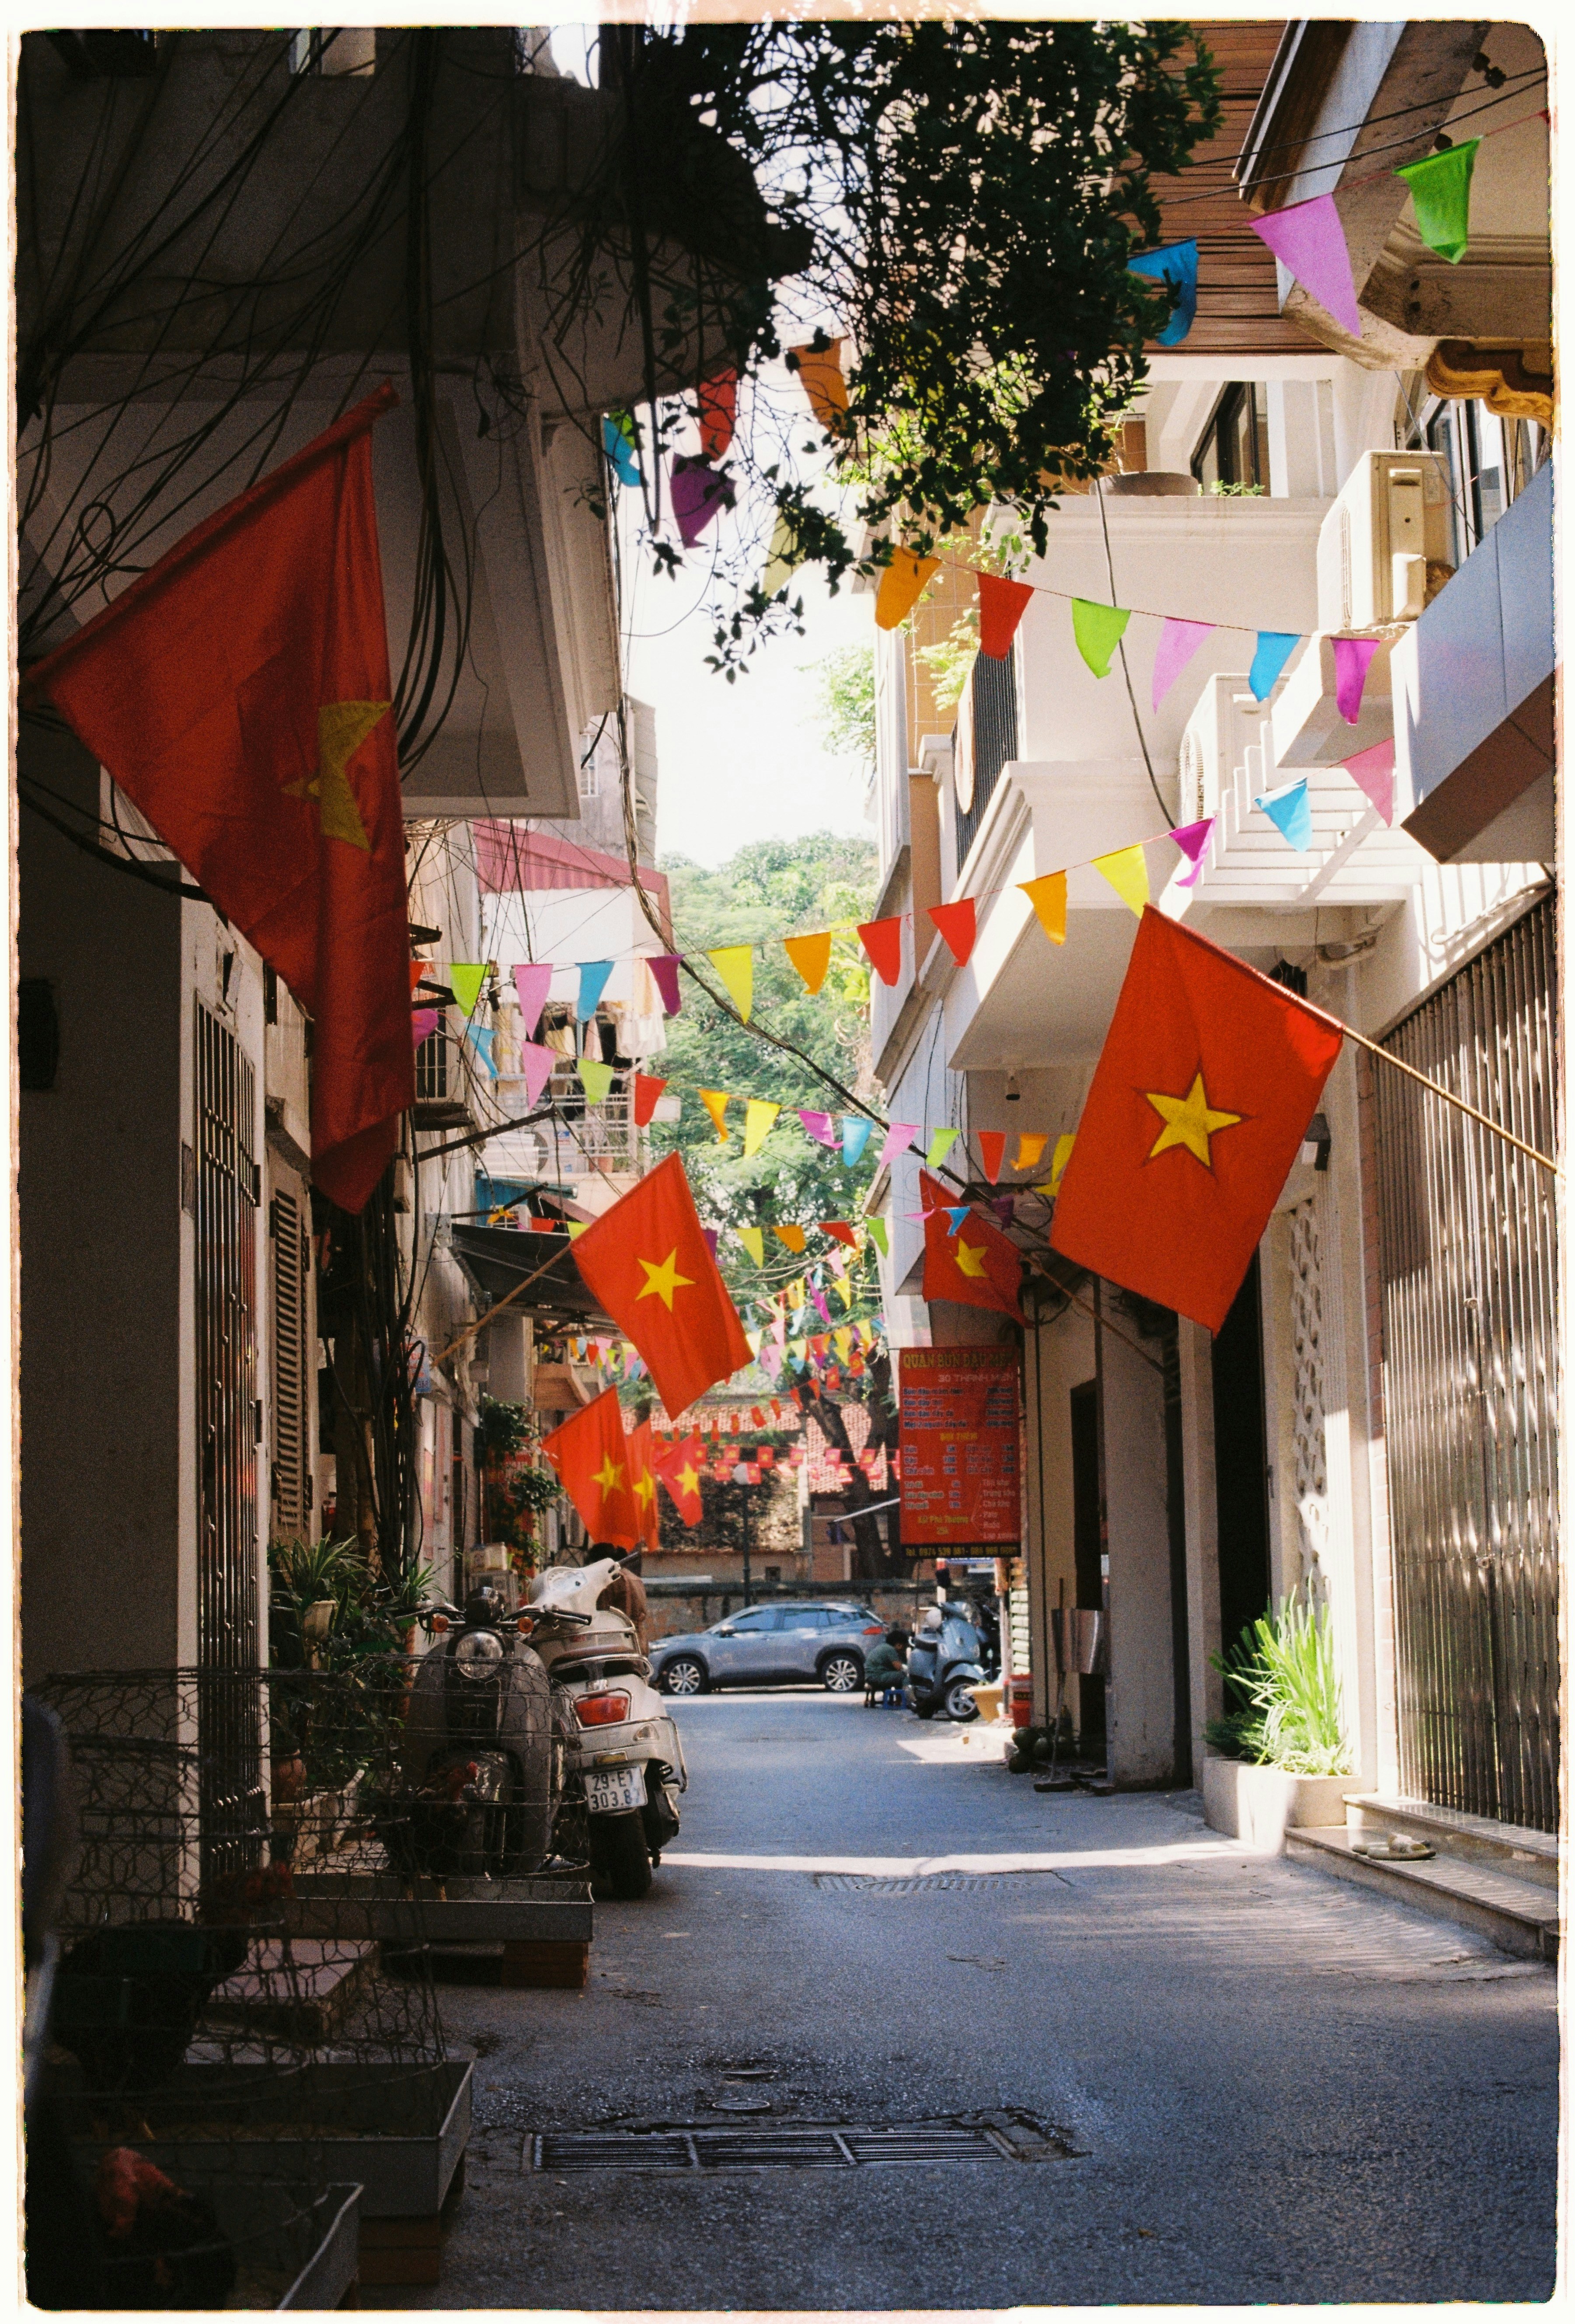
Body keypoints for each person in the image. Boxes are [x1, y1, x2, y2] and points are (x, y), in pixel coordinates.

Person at [863, 1627, 908, 1708]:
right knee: (903, 1676)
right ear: (899, 1645)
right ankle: (907, 1699)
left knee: (897, 1676)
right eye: (903, 1647)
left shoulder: (882, 1647)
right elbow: (899, 1667)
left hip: (870, 1676)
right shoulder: (891, 1650)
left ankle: (899, 1700)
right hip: (878, 1676)